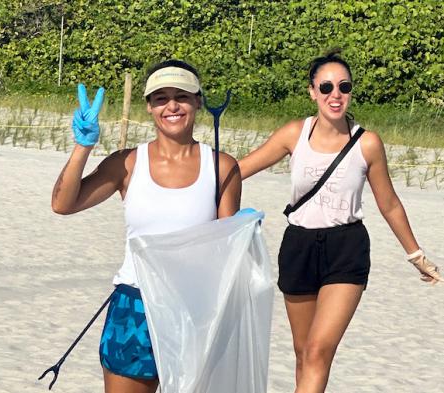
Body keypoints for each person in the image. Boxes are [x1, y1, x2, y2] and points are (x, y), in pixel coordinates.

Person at [238, 49, 441, 393]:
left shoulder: (368, 143)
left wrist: (416, 255)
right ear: (312, 91)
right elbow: (239, 170)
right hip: (298, 247)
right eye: (327, 86)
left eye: (343, 87)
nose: (336, 95)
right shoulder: (293, 134)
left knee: (319, 351)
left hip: (346, 248)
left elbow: (389, 204)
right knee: (303, 354)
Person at [51, 60, 241, 393]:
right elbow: (63, 204)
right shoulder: (126, 163)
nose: (172, 106)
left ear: (198, 101)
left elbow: (226, 255)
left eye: (181, 96)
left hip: (193, 308)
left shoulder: (222, 166)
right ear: (149, 107)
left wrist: (243, 230)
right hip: (134, 305)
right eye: (161, 98)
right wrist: (83, 146)